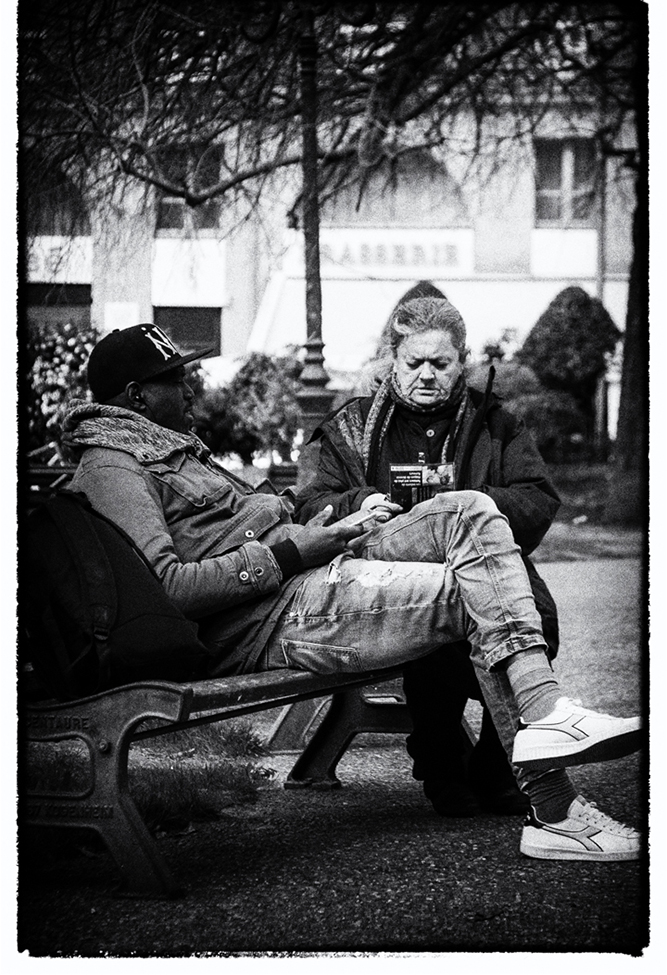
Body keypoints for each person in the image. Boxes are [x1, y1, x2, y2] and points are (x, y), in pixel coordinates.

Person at [60, 322, 642, 862]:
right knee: (473, 589)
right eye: (176, 380)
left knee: (471, 510)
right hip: (274, 613)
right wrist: (296, 551)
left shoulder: (170, 448)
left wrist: (333, 526)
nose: (191, 389)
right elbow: (165, 589)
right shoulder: (113, 469)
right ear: (137, 397)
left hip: (314, 564)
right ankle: (557, 811)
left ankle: (547, 713)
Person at [293, 286, 559, 819]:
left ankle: (496, 766)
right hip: (388, 573)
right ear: (392, 360)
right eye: (414, 362)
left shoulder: (495, 422)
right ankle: (440, 765)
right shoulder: (351, 426)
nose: (427, 375)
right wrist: (360, 502)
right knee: (434, 626)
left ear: (462, 362)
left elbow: (536, 498)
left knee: (537, 617)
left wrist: (468, 506)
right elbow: (310, 505)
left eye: (441, 363)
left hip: (481, 563)